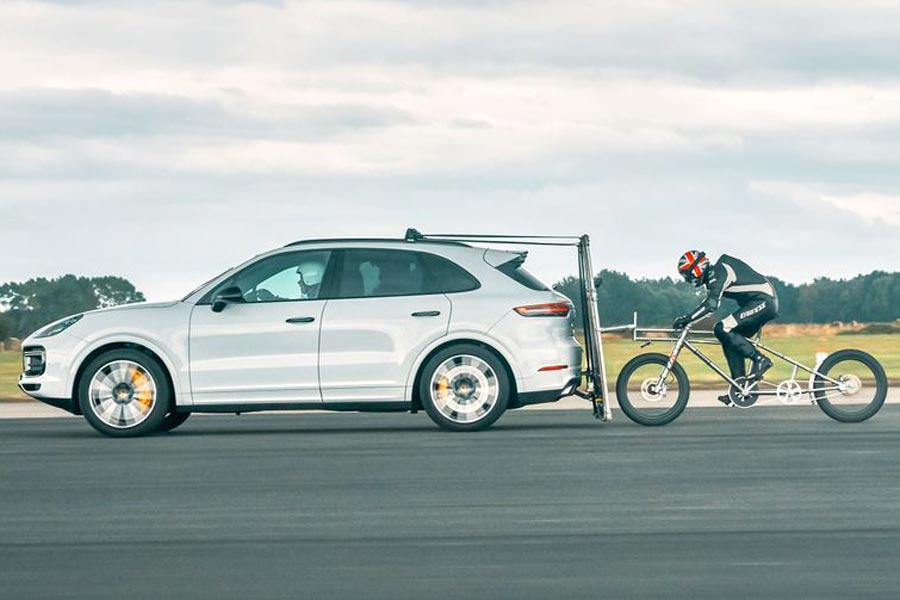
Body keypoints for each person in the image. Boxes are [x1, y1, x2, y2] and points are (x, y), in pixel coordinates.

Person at [673, 251, 779, 405]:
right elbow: (710, 302)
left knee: (722, 328)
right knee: (727, 337)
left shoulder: (720, 270)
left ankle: (760, 360)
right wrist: (690, 318)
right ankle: (740, 388)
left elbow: (711, 305)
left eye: (687, 274)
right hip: (759, 302)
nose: (688, 279)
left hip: (763, 301)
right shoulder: (714, 276)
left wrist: (687, 319)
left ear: (697, 269)